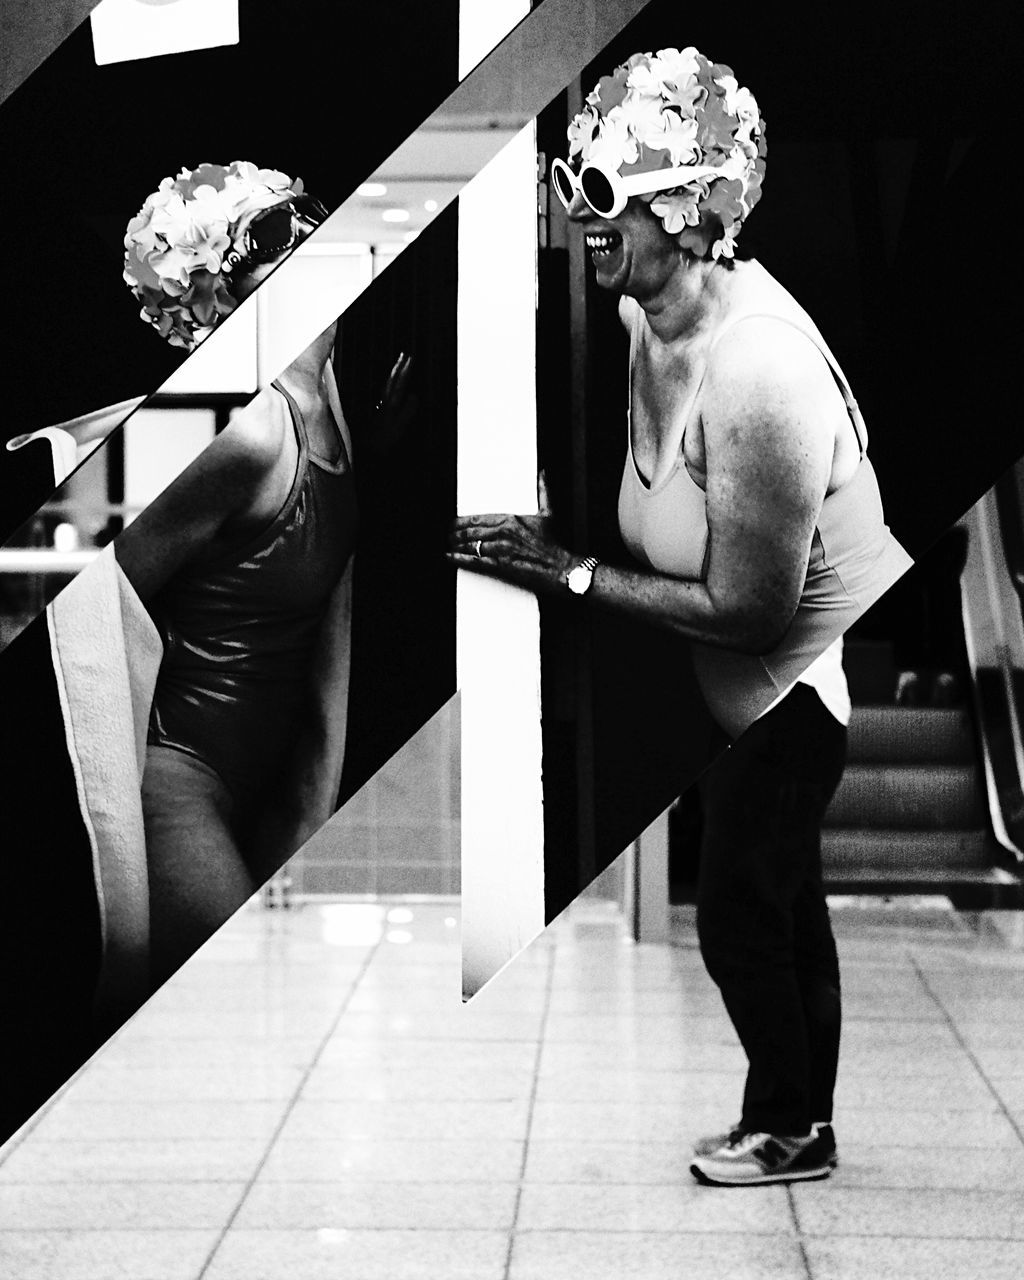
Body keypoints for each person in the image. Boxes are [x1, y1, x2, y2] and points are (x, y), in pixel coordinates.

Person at [449, 48, 912, 1186]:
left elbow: (752, 614)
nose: (578, 220)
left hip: (786, 699)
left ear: (691, 210)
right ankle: (797, 1117)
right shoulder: (644, 313)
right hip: (730, 697)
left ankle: (792, 1125)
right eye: (573, 189)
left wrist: (565, 572)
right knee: (782, 906)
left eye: (602, 197)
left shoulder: (758, 370)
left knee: (743, 918)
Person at [116, 161, 410, 985]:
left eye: (307, 213)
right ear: (219, 295)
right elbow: (95, 618)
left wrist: (307, 816)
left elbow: (321, 584)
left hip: (264, 775)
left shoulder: (329, 387)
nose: (314, 235)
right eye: (273, 235)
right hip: (173, 785)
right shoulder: (243, 434)